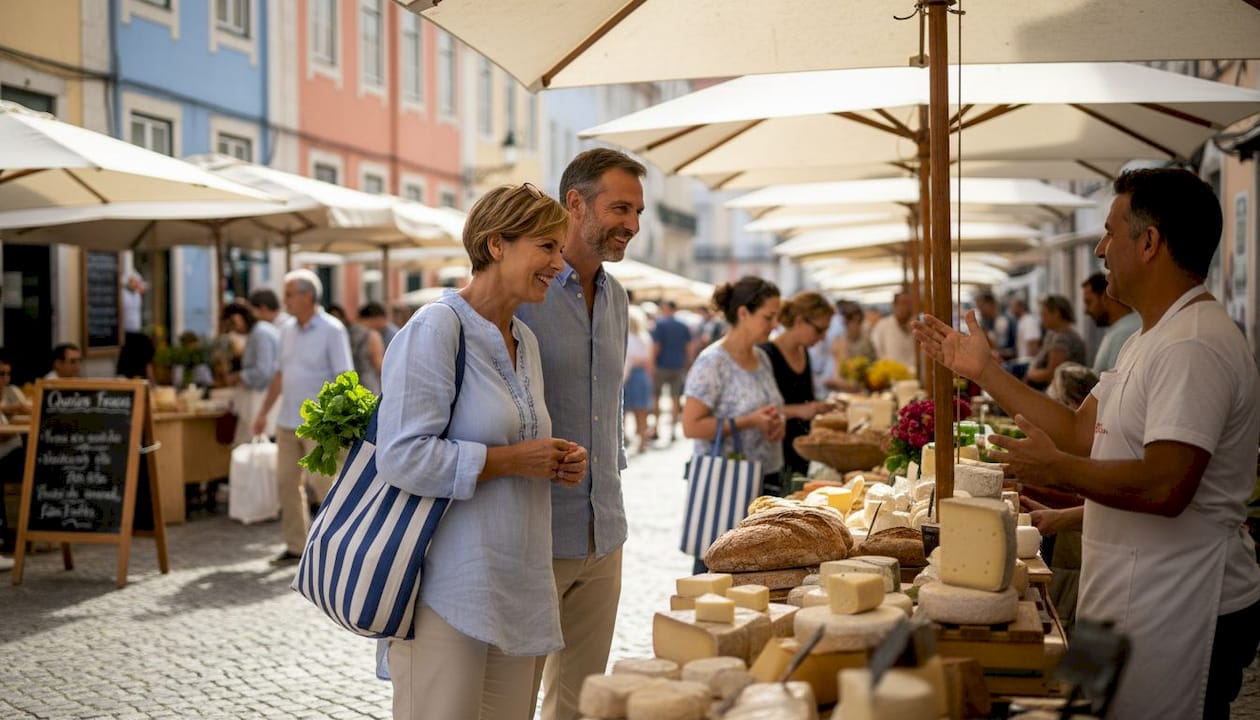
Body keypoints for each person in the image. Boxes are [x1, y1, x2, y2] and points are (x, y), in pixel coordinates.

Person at [914, 168, 1260, 720]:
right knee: (1091, 710)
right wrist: (984, 371)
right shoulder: (1150, 337)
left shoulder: (1193, 344)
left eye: (1108, 232)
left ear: (1149, 243)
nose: (1100, 249)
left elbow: (1167, 485)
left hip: (1184, 602)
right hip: (1127, 591)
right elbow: (1078, 431)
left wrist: (1058, 469)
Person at [377, 183, 587, 720]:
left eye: (560, 250)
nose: (560, 265)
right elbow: (401, 456)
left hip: (517, 580)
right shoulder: (435, 328)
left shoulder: (524, 340)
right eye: (547, 247)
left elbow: (515, 438)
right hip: (447, 587)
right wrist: (513, 461)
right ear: (497, 244)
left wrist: (556, 461)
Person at [516, 148, 644, 720]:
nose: (633, 225)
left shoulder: (616, 297)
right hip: (534, 533)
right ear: (575, 203)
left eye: (638, 212)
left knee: (580, 704)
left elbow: (608, 405)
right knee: (512, 699)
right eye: (620, 207)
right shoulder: (524, 294)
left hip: (604, 533)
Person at [251, 270, 353, 564]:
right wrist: (263, 413)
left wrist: (334, 423)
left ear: (307, 296)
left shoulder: (332, 329)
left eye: (289, 294)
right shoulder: (286, 330)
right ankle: (297, 546)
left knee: (324, 487)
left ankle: (337, 547)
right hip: (286, 421)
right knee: (286, 483)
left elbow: (344, 377)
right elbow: (280, 375)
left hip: (318, 425)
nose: (285, 301)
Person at [682, 275, 786, 560]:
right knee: (720, 572)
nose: (775, 324)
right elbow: (690, 426)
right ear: (743, 313)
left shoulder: (762, 357)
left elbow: (768, 406)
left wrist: (776, 423)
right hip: (727, 487)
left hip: (766, 479)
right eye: (769, 316)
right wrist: (750, 422)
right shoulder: (712, 362)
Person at [760, 291, 833, 478]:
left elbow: (804, 399)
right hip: (775, 453)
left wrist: (819, 407)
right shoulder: (766, 355)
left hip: (800, 452)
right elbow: (758, 410)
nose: (823, 337)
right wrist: (800, 410)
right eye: (819, 330)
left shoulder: (804, 352)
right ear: (800, 321)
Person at [222, 302, 279, 445]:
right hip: (262, 398)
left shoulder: (260, 334)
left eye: (234, 323)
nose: (234, 328)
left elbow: (263, 371)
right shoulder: (258, 332)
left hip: (262, 398)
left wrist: (238, 376)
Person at [0, 351, 31, 555]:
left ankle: (23, 531)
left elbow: (29, 409)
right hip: (4, 454)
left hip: (13, 452)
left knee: (32, 462)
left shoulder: (11, 391)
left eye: (7, 374)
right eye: (1, 374)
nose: (5, 379)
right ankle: (8, 533)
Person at [649, 300, 692, 444]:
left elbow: (656, 346)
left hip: (662, 365)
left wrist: (652, 363)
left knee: (657, 398)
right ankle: (673, 431)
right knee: (676, 399)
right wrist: (687, 363)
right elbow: (689, 347)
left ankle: (656, 428)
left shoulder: (660, 324)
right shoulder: (683, 325)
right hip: (678, 365)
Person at [1022, 295, 1086, 390]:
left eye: (1044, 314)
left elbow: (1051, 374)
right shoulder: (1056, 334)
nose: (1042, 319)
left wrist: (1030, 373)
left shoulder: (1062, 338)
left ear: (1056, 313)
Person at [1081, 271, 1141, 372]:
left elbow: (1116, 383)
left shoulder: (1124, 332)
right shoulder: (1117, 329)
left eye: (1089, 302)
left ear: (1105, 297)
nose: (1086, 311)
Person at [623, 305, 654, 454]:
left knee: (623, 410)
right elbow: (649, 360)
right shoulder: (645, 337)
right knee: (641, 411)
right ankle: (643, 441)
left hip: (628, 374)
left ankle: (624, 438)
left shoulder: (627, 337)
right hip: (642, 374)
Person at [117, 272, 155, 381]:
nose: (135, 284)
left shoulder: (137, 295)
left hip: (136, 330)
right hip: (126, 331)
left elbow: (145, 287)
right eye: (133, 282)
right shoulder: (123, 295)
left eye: (136, 282)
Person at [869, 290, 917, 370]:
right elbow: (877, 351)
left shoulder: (916, 325)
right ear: (894, 305)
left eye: (909, 304)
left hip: (914, 375)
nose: (905, 308)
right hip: (891, 375)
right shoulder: (882, 325)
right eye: (902, 303)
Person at [346, 305, 385, 395]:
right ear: (377, 318)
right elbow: (379, 366)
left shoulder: (346, 332)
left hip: (349, 387)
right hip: (368, 387)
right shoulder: (373, 336)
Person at [974, 290, 1016, 361]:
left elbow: (1007, 350)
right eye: (978, 307)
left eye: (981, 306)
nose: (980, 310)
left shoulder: (1002, 321)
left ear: (991, 304)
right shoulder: (988, 321)